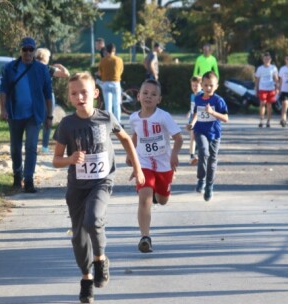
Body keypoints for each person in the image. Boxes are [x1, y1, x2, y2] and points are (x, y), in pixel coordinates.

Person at [53, 72, 145, 303]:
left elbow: (125, 139)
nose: (79, 96)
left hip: (102, 182)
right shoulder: (67, 124)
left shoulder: (106, 118)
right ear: (69, 98)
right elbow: (56, 160)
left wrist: (138, 167)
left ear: (95, 94)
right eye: (74, 93)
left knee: (93, 219)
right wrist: (71, 158)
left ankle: (100, 259)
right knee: (78, 236)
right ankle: (86, 279)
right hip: (77, 187)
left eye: (84, 92)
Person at [128, 79, 183, 253]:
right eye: (145, 93)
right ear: (138, 96)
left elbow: (179, 138)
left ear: (159, 99)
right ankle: (145, 237)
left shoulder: (163, 116)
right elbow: (135, 136)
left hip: (164, 165)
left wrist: (174, 154)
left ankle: (161, 194)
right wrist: (132, 157)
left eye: (153, 94)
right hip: (144, 163)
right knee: (145, 197)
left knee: (162, 200)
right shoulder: (133, 118)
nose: (148, 97)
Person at [0, 37, 53, 193]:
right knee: (15, 148)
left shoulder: (42, 69)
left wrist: (49, 116)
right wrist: (3, 109)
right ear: (20, 50)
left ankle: (28, 180)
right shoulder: (10, 68)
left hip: (34, 115)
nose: (28, 53)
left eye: (31, 50)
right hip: (15, 114)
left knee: (31, 147)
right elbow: (3, 90)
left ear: (35, 51)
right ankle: (17, 175)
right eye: (25, 49)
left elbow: (48, 94)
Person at [186, 71, 229, 202]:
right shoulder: (198, 98)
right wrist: (192, 124)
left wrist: (212, 112)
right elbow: (196, 113)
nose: (208, 88)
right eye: (205, 85)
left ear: (216, 86)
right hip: (200, 131)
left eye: (211, 85)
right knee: (203, 152)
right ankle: (201, 179)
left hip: (214, 134)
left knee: (212, 160)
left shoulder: (218, 100)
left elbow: (226, 118)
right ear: (202, 85)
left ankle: (209, 186)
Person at [35, 48, 70, 154]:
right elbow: (66, 74)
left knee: (35, 121)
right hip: (48, 95)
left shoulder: (31, 67)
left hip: (35, 95)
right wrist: (60, 66)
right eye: (48, 57)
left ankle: (32, 145)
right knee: (48, 121)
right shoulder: (48, 68)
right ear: (45, 56)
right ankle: (44, 146)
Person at [98, 43, 124, 123]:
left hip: (105, 83)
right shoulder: (119, 60)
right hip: (116, 83)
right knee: (117, 104)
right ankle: (118, 122)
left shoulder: (103, 61)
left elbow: (100, 73)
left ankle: (109, 122)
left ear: (106, 50)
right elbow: (121, 71)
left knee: (108, 105)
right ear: (114, 50)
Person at [255, 52, 279, 128]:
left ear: (270, 60)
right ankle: (261, 120)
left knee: (269, 105)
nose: (267, 60)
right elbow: (257, 79)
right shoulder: (260, 68)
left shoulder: (273, 68)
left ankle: (268, 121)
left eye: (268, 59)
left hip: (271, 88)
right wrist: (256, 88)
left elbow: (276, 78)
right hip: (262, 88)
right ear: (263, 60)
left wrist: (277, 87)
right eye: (265, 59)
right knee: (262, 103)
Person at [187, 76, 202, 165]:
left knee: (199, 139)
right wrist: (189, 112)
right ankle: (192, 156)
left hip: (200, 120)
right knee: (192, 138)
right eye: (193, 85)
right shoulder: (192, 95)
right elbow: (193, 107)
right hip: (192, 120)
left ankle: (200, 155)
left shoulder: (202, 95)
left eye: (196, 85)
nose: (194, 88)